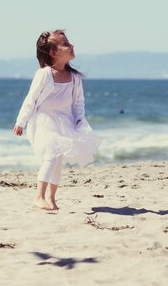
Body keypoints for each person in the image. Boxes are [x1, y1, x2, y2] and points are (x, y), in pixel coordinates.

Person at [13, 30, 101, 211]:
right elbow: (31, 99)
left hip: (65, 123)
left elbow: (78, 103)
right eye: (66, 44)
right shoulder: (44, 74)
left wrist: (79, 120)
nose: (72, 46)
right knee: (51, 157)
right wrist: (20, 122)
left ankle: (52, 198)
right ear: (54, 53)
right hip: (45, 123)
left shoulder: (75, 78)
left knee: (58, 162)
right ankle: (39, 197)